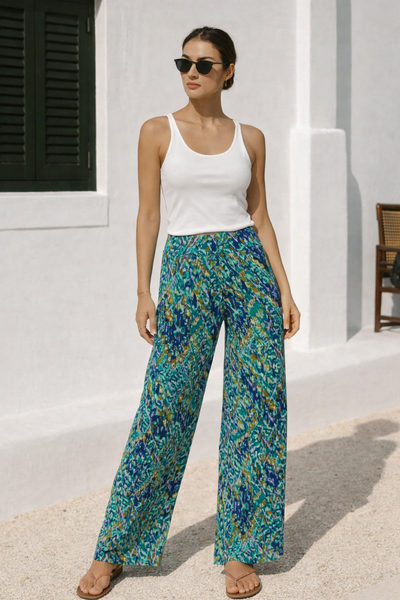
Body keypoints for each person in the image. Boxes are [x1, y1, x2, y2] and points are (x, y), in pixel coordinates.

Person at [77, 25, 300, 600]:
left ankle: (241, 550)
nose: (191, 72)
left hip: (248, 270)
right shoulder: (158, 131)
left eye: (204, 63)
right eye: (184, 63)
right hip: (186, 270)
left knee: (257, 409)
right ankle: (115, 547)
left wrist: (284, 288)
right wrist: (142, 290)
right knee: (164, 407)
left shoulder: (251, 138)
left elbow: (260, 217)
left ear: (229, 71)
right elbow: (149, 215)